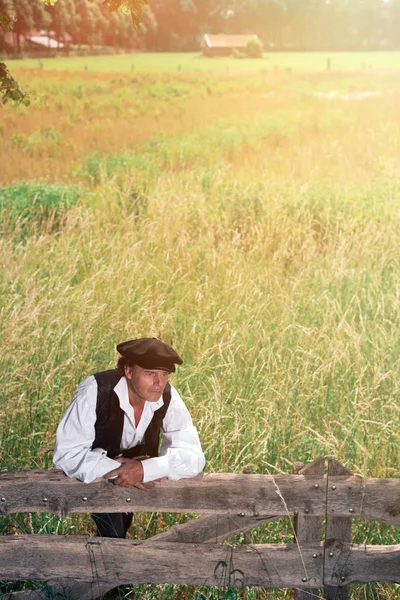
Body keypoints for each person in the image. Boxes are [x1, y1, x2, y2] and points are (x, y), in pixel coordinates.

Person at [53, 337, 205, 538]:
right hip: (97, 474)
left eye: (164, 374)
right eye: (150, 374)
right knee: (113, 536)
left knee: (120, 534)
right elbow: (67, 454)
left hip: (137, 476)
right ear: (129, 371)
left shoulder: (167, 395)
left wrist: (146, 469)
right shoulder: (95, 390)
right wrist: (121, 469)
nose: (159, 383)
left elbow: (194, 457)